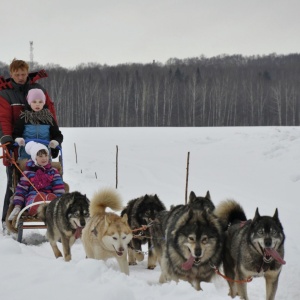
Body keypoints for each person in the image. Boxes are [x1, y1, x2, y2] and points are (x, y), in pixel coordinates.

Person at [0, 59, 58, 234]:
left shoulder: (38, 90)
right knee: (14, 183)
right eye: (16, 74)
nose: (20, 77)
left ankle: (47, 212)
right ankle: (6, 221)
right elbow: (3, 119)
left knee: (48, 179)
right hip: (18, 147)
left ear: (27, 73)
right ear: (11, 74)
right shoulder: (5, 93)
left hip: (43, 147)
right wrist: (7, 141)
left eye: (23, 74)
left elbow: (50, 114)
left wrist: (55, 138)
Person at [8, 141, 65, 220]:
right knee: (32, 198)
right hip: (32, 196)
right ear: (35, 158)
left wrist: (60, 201)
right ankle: (34, 206)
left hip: (49, 196)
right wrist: (18, 206)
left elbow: (59, 189)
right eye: (41, 156)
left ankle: (52, 205)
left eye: (46, 155)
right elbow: (21, 190)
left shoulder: (53, 171)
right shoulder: (28, 173)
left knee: (52, 198)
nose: (44, 158)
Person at [13, 88, 63, 160]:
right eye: (34, 101)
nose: (37, 104)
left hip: (44, 158)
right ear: (29, 102)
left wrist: (55, 141)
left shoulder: (48, 118)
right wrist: (18, 139)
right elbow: (16, 134)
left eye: (40, 102)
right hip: (26, 158)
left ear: (44, 103)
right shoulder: (23, 118)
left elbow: (58, 135)